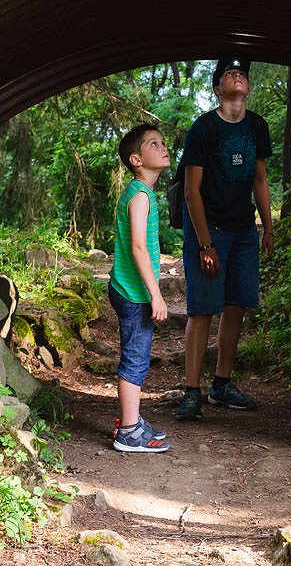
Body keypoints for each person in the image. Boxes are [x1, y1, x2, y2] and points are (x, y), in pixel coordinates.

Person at [176, 56, 275, 421]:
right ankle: (191, 391)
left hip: (244, 230)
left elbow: (260, 180)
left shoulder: (256, 126)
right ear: (218, 88)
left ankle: (221, 383)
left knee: (236, 305)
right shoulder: (203, 128)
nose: (238, 75)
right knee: (203, 309)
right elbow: (191, 191)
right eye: (229, 73)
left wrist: (268, 227)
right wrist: (205, 244)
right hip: (209, 229)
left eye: (243, 73)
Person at [108, 123, 172, 452]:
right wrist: (156, 294)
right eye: (153, 144)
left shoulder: (140, 192)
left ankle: (131, 420)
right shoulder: (141, 195)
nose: (163, 147)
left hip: (130, 289)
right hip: (134, 293)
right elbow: (137, 247)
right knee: (135, 359)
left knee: (137, 356)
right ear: (136, 159)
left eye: (163, 142)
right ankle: (129, 431)